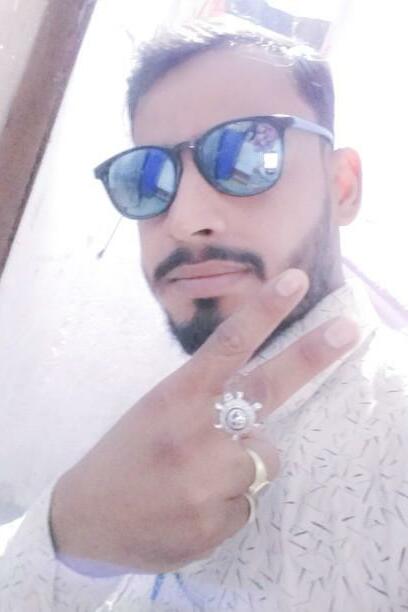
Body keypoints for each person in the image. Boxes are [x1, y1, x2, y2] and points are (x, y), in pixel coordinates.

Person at [2, 16, 408, 612]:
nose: (185, 219)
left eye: (247, 151)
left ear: (341, 187)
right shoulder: (175, 407)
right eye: (146, 177)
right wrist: (68, 539)